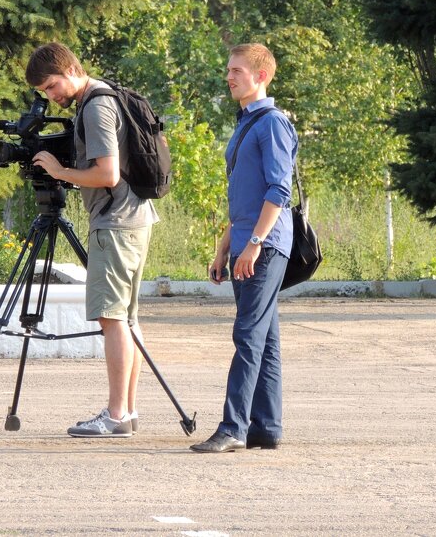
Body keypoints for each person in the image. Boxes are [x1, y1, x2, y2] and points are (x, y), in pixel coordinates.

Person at [25, 42, 159, 438]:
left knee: (112, 318)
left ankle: (116, 415)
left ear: (70, 69)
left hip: (116, 221)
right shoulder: (102, 96)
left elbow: (107, 175)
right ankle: (127, 412)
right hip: (131, 219)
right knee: (125, 318)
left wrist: (60, 170)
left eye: (52, 86)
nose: (51, 96)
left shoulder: (97, 105)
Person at [192, 43, 297, 453]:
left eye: (237, 70)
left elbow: (278, 190)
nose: (230, 76)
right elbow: (242, 198)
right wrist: (225, 249)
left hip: (265, 245)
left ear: (261, 76)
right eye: (229, 70)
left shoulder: (272, 123)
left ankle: (233, 427)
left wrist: (253, 243)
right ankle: (265, 428)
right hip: (245, 242)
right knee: (264, 337)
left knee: (248, 335)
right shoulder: (246, 123)